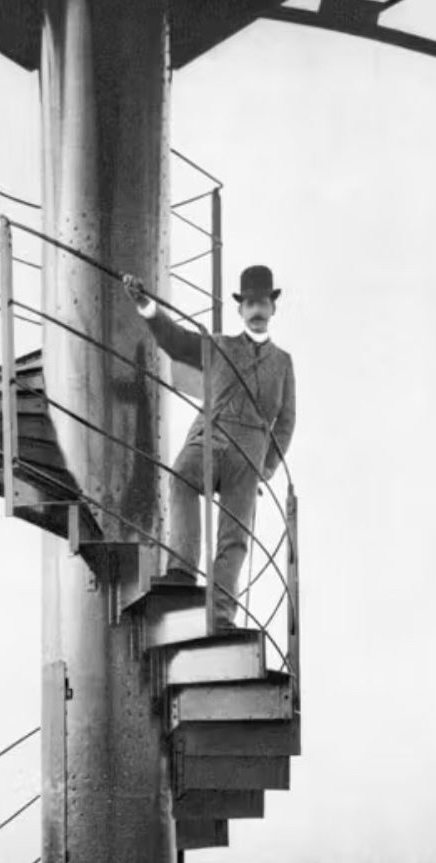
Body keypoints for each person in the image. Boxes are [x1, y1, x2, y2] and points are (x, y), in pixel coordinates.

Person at [122, 265, 296, 630]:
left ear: (273, 307)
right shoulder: (218, 345)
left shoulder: (283, 363)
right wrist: (146, 305)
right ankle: (182, 570)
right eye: (250, 302)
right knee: (182, 475)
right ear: (240, 309)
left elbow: (286, 422)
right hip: (211, 438)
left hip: (249, 455)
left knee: (234, 539)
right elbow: (174, 340)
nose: (257, 309)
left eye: (263, 301)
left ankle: (220, 616)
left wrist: (265, 467)